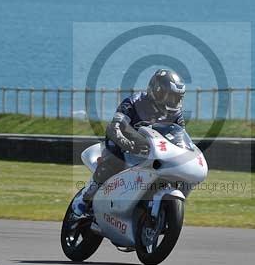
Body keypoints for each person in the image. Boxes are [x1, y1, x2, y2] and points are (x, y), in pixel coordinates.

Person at [72, 69, 186, 217]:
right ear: (157, 91)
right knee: (114, 163)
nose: (174, 102)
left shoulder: (176, 114)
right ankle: (85, 198)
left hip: (152, 152)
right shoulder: (134, 102)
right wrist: (125, 142)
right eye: (170, 97)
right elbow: (115, 126)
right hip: (123, 146)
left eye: (177, 98)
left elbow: (181, 137)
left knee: (174, 173)